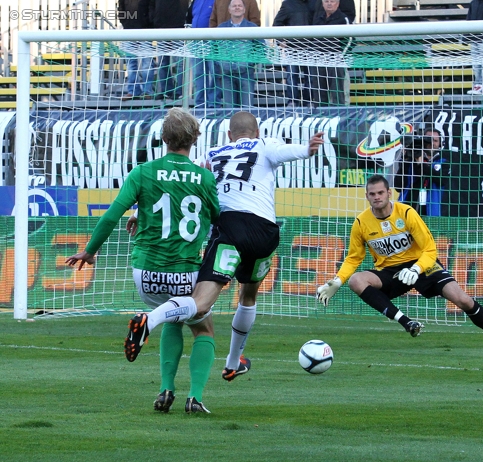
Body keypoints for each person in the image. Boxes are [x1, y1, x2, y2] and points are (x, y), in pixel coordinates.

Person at [124, 112, 325, 382]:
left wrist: (137, 210)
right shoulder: (265, 145)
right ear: (257, 132)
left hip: (230, 228)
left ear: (229, 135)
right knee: (249, 296)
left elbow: (172, 181)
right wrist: (307, 149)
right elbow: (287, 152)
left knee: (201, 303)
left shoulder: (212, 153)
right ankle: (233, 363)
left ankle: (151, 319)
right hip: (265, 232)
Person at [66, 108, 220, 414]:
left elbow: (112, 215)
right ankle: (196, 397)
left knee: (172, 321)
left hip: (145, 272)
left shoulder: (142, 172)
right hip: (185, 272)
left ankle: (166, 390)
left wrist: (90, 250)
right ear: (195, 139)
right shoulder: (204, 177)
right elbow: (217, 218)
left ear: (163, 138)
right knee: (203, 329)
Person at [317, 174, 483, 351]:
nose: (377, 197)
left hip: (422, 265)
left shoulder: (407, 213)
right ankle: (406, 322)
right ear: (367, 196)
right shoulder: (361, 222)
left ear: (389, 193)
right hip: (391, 271)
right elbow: (354, 257)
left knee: (462, 299)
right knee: (356, 280)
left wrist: (416, 268)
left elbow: (430, 249)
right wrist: (338, 280)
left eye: (380, 193)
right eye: (372, 194)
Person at [139, 0, 189, 100]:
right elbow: (151, 5)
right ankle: (166, 91)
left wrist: (181, 20)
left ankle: (180, 92)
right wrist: (155, 20)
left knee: (179, 62)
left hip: (178, 27)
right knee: (162, 62)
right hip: (161, 27)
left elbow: (184, 4)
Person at [273, 0, 317, 107]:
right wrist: (280, 40)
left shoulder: (316, 3)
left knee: (311, 77)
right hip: (292, 48)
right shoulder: (288, 4)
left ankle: (309, 102)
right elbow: (276, 24)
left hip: (311, 47)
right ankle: (292, 102)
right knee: (291, 77)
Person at [217, 0, 260, 107]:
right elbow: (214, 49)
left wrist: (249, 63)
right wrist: (222, 64)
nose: (237, 8)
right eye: (234, 6)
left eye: (239, 6)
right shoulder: (221, 28)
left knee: (247, 109)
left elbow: (260, 48)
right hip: (227, 75)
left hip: (246, 74)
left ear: (244, 9)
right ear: (229, 10)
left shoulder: (252, 28)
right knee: (229, 110)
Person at [393, 130, 447, 216]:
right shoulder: (410, 160)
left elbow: (441, 181)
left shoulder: (444, 161)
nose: (431, 143)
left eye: (435, 140)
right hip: (408, 210)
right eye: (428, 139)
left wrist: (421, 164)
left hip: (432, 212)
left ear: (440, 144)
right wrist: (406, 160)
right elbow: (398, 187)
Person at [310, 0, 350, 106]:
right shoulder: (318, 20)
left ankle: (339, 119)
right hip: (319, 62)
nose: (329, 4)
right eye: (326, 1)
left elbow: (350, 40)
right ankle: (321, 119)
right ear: (322, 3)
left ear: (337, 3)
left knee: (337, 95)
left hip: (336, 63)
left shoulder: (343, 19)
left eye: (332, 1)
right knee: (319, 96)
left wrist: (340, 56)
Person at [119, 0, 155, 100]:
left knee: (147, 63)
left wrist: (149, 23)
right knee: (131, 63)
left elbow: (152, 6)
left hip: (146, 31)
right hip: (129, 31)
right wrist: (125, 23)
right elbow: (121, 8)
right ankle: (133, 91)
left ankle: (147, 91)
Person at [187, 0, 218, 107]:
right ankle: (199, 103)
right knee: (198, 73)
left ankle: (213, 103)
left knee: (214, 73)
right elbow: (190, 17)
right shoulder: (196, 1)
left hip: (212, 40)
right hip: (196, 40)